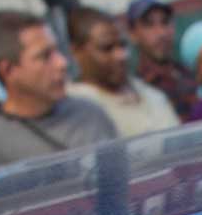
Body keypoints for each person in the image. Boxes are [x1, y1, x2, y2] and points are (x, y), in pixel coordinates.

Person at [0, 10, 117, 171]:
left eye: (57, 51)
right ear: (8, 70)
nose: (62, 63)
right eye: (45, 56)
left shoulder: (91, 114)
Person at [66, 7, 181, 138]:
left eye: (122, 45)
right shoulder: (76, 107)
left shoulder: (149, 92)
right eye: (107, 48)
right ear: (76, 52)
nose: (121, 56)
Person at [127, 0, 200, 120]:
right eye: (149, 25)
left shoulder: (190, 72)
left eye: (165, 22)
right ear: (133, 34)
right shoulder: (138, 89)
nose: (161, 33)